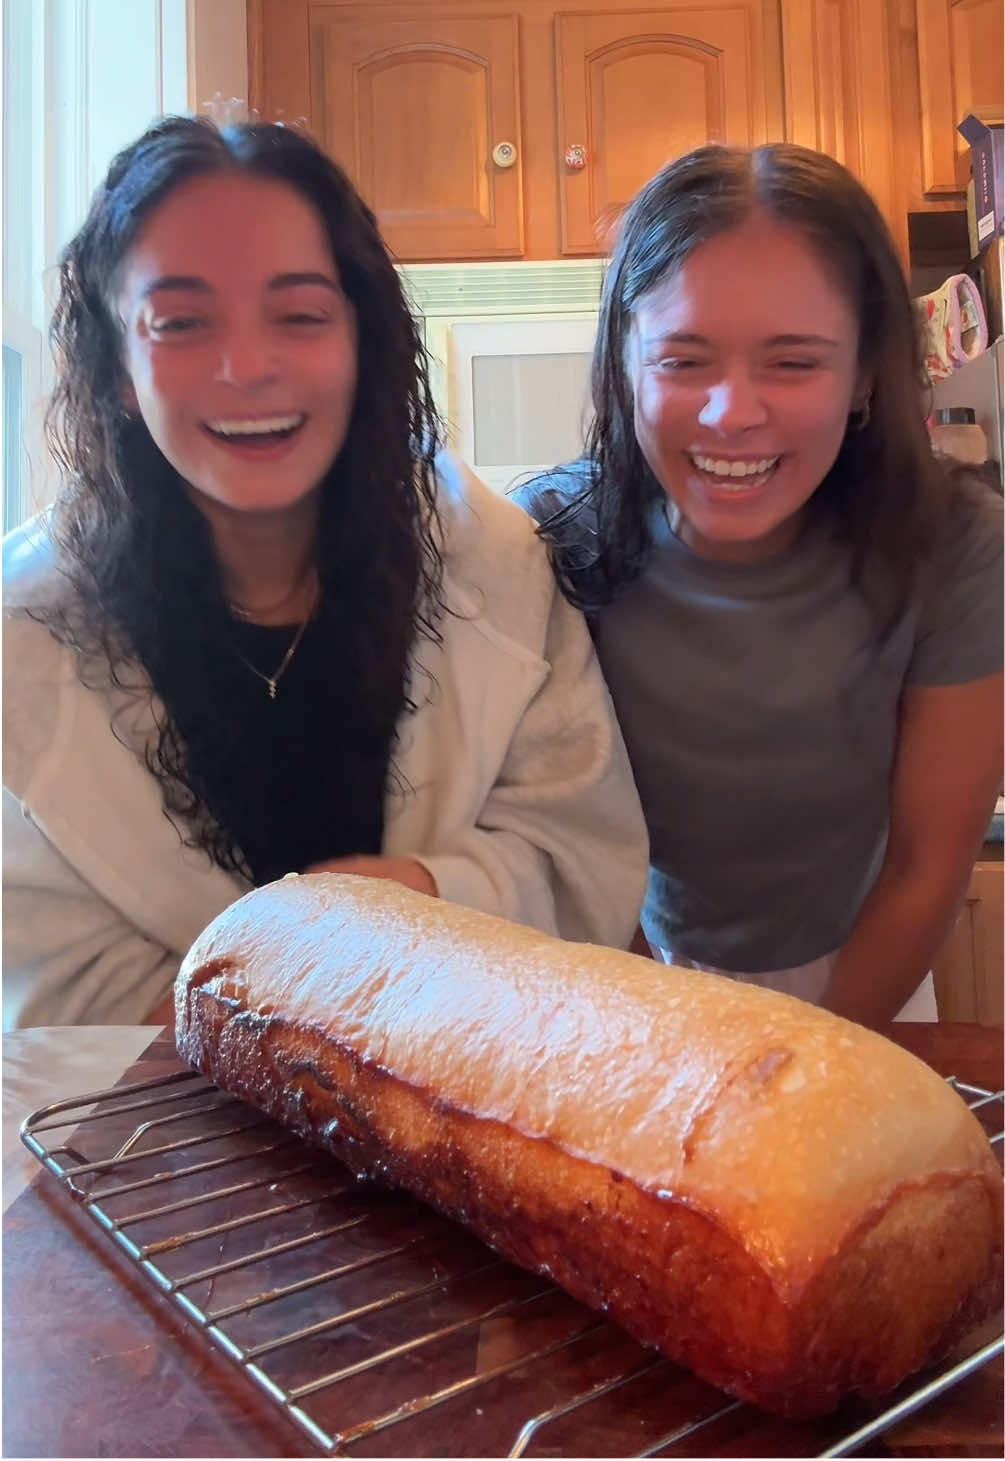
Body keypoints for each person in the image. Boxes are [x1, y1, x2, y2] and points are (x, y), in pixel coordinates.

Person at [2, 116, 649, 1030]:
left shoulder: (495, 564)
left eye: (300, 315)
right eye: (181, 322)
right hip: (158, 1151)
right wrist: (290, 997)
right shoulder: (21, 635)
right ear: (116, 368)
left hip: (463, 1110)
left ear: (361, 338)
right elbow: (46, 987)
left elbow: (585, 857)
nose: (249, 367)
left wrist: (425, 895)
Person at [516, 143, 1003, 1029]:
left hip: (869, 978)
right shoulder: (546, 541)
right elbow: (565, 854)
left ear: (862, 374)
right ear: (625, 365)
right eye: (682, 360)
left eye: (793, 362)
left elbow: (926, 866)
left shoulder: (957, 545)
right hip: (629, 983)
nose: (730, 413)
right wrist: (667, 1031)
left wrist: (797, 1066)